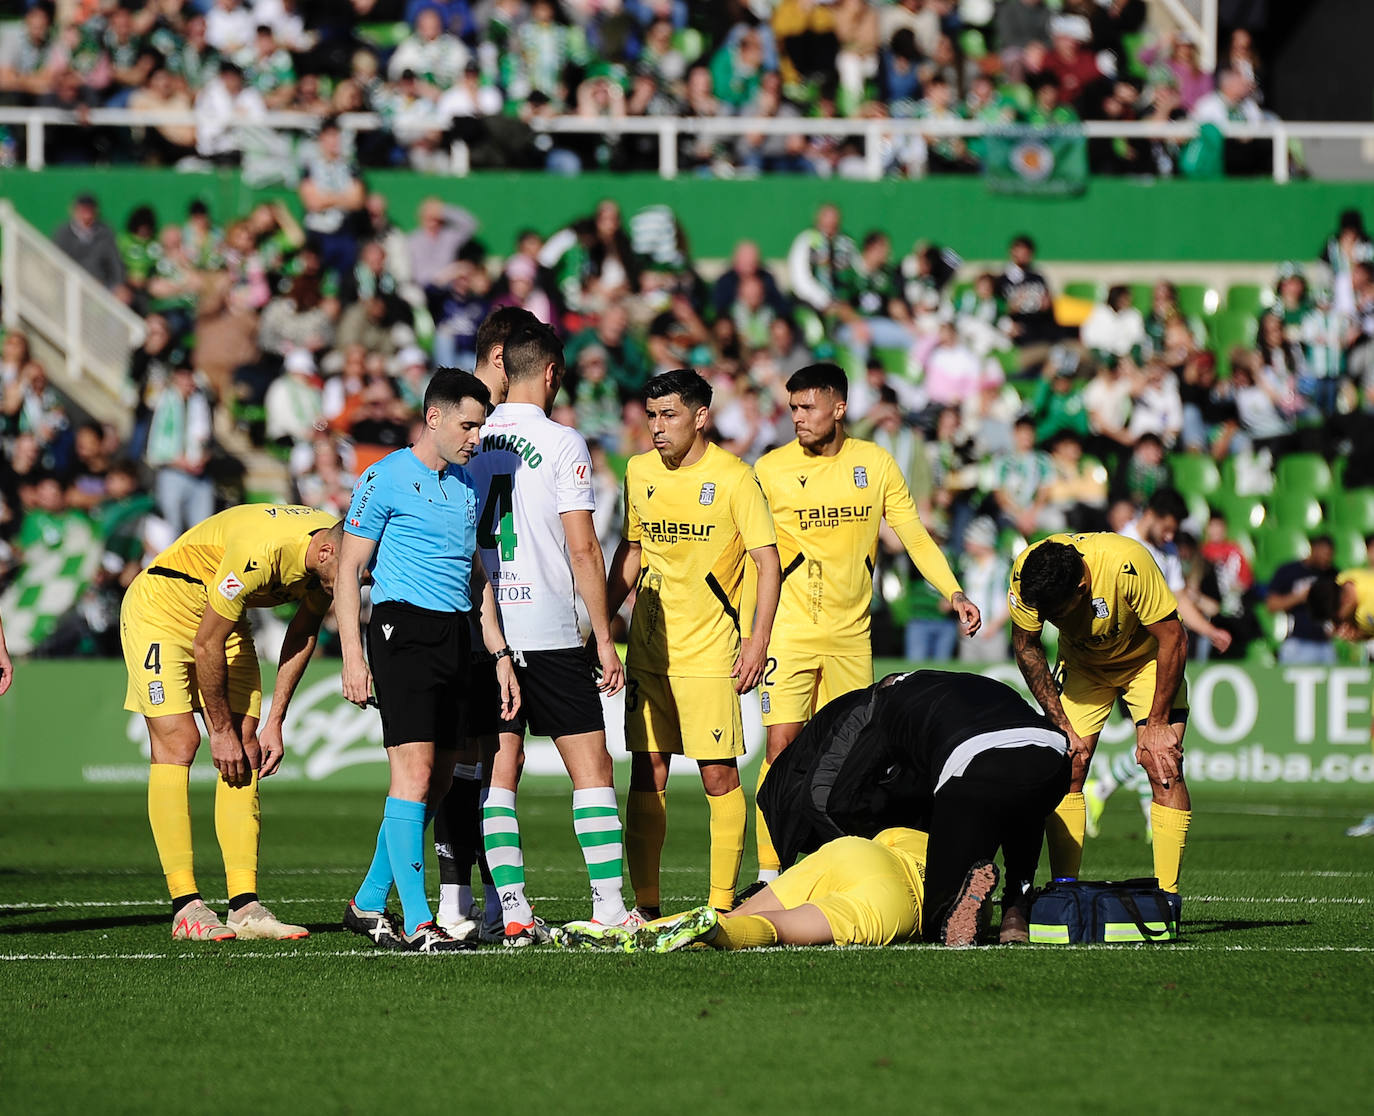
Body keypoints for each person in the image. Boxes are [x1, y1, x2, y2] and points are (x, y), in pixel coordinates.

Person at [750, 362, 980, 886]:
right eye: (792, 408)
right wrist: (749, 632)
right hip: (788, 631)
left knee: (851, 758)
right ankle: (769, 873)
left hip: (852, 637)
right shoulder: (769, 469)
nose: (798, 418)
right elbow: (749, 555)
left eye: (808, 407)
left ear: (840, 407)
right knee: (781, 747)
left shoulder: (875, 465)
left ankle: (840, 867)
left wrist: (954, 591)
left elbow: (915, 536)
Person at [464, 322, 638, 944]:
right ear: (553, 375)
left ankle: (509, 909)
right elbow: (584, 547)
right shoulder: (563, 442)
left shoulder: (471, 436)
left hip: (489, 631)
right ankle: (611, 909)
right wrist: (604, 633)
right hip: (550, 628)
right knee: (591, 770)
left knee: (499, 773)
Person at [336, 369, 520, 953]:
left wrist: (498, 653)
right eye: (468, 425)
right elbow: (347, 569)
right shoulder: (383, 478)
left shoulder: (466, 486)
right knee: (413, 776)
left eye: (481, 425)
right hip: (401, 632)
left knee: (441, 779)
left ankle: (368, 901)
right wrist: (351, 655)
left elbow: (477, 575)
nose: (475, 437)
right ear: (433, 417)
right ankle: (419, 922)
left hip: (457, 636)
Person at [120, 505, 344, 941]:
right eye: (355, 569)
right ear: (325, 552)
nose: (362, 578)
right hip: (162, 611)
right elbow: (206, 647)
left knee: (246, 749)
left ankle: (245, 907)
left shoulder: (334, 556)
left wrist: (275, 720)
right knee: (180, 742)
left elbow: (301, 633)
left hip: (222, 617)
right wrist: (217, 731)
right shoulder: (262, 551)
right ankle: (186, 906)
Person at [606, 369, 781, 917]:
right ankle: (647, 907)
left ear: (701, 417)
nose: (656, 428)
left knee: (718, 773)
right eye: (651, 416)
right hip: (648, 649)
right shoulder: (638, 472)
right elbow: (632, 553)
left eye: (669, 416)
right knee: (646, 768)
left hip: (709, 654)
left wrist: (755, 642)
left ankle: (721, 907)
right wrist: (596, 623)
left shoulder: (734, 478)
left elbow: (767, 563)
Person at [754, 669, 1068, 943]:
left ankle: (955, 904)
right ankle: (1015, 910)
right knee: (1025, 809)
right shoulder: (953, 688)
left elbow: (826, 794)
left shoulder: (884, 707)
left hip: (972, 765)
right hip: (1052, 755)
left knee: (936, 916)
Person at [430, 306, 540, 942]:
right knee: (456, 763)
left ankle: (470, 900)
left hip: (486, 613)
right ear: (503, 358)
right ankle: (463, 900)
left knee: (472, 761)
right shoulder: (466, 428)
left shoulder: (479, 428)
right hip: (469, 613)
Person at [1009, 533, 1193, 896]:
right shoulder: (1028, 573)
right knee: (1068, 763)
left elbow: (1175, 638)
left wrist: (1156, 724)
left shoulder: (1127, 565)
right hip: (1083, 667)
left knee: (1162, 763)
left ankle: (1167, 899)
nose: (1046, 620)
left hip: (1146, 662)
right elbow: (1027, 648)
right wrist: (1061, 724)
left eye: (1054, 614)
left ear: (1082, 587)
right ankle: (1064, 890)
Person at [553, 830, 998, 953]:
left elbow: (887, 835)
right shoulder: (965, 872)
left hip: (853, 851)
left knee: (745, 910)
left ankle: (618, 935)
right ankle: (713, 931)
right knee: (777, 929)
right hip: (896, 904)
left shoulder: (922, 834)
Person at [1085, 488, 1232, 838]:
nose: (1170, 536)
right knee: (1158, 739)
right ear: (1150, 513)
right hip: (1125, 659)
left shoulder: (1165, 550)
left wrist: (1209, 629)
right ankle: (1118, 796)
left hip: (1158, 657)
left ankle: (1110, 792)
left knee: (1156, 739)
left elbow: (1178, 597)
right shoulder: (1121, 545)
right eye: (1167, 527)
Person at [1307, 566, 1374, 837]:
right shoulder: (1348, 578)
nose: (1336, 626)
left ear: (1344, 602)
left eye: (1336, 619)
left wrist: (1359, 635)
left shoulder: (1367, 609)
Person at [1265, 537, 1337, 665]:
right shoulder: (1290, 571)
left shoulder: (1333, 574)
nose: (1326, 559)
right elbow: (1271, 605)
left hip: (1326, 644)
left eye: (1329, 556)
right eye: (1324, 554)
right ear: (1314, 549)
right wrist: (1299, 597)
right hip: (1297, 643)